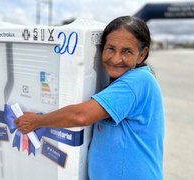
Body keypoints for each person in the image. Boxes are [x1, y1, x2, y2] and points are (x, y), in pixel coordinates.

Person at [15, 16, 165, 180]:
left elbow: (80, 116)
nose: (115, 58)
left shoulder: (138, 81)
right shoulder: (117, 81)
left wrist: (35, 121)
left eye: (126, 51)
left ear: (142, 55)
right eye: (110, 48)